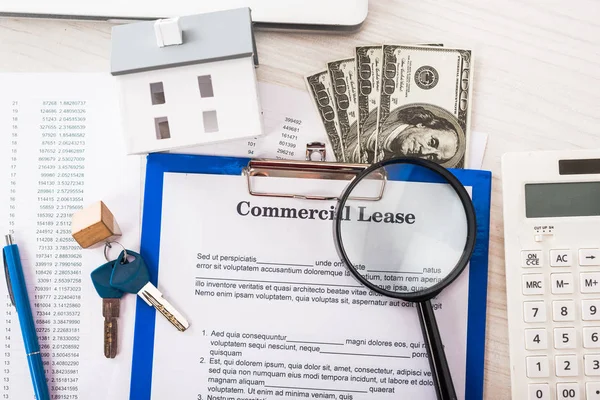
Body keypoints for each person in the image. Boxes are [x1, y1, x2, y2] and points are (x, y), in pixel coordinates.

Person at [357, 105, 466, 168]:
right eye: (432, 142)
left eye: (432, 157)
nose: (424, 152)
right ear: (422, 125)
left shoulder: (387, 168)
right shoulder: (372, 121)